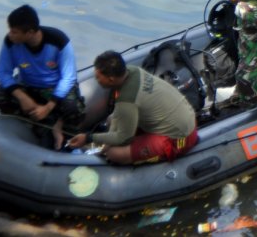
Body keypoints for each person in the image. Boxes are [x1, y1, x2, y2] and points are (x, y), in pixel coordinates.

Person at [67, 51, 198, 165]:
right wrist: (105, 144)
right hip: (179, 117)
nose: (96, 80)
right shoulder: (132, 71)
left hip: (180, 137)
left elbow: (124, 137)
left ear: (111, 79)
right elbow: (118, 118)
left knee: (114, 154)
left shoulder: (127, 100)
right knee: (112, 120)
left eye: (98, 77)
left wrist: (88, 138)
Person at [0, 4, 85, 150]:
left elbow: (69, 78)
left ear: (30, 32)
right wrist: (22, 97)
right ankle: (37, 121)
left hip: (54, 89)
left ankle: (56, 124)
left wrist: (48, 106)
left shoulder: (58, 41)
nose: (10, 35)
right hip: (28, 86)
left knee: (73, 108)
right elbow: (2, 73)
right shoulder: (10, 42)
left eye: (14, 32)